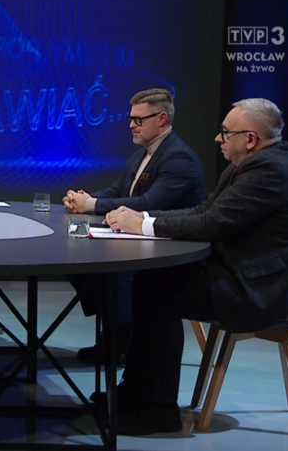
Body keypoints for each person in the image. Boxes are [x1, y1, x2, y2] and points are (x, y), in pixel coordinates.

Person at [99, 98, 288, 435]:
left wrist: (142, 226)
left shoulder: (270, 170)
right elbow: (204, 211)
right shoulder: (252, 164)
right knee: (151, 282)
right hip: (241, 272)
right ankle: (134, 395)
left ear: (250, 139)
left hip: (260, 289)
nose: (218, 138)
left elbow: (213, 224)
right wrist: (144, 217)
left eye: (225, 132)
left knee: (157, 291)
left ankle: (156, 410)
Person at [62, 88, 204, 365]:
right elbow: (118, 190)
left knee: (111, 270)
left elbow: (148, 203)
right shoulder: (142, 154)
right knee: (77, 259)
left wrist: (91, 205)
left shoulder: (179, 158)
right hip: (139, 240)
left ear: (161, 119)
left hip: (170, 249)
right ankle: (114, 335)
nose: (131, 125)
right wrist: (84, 199)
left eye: (138, 119)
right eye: (130, 119)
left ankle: (122, 342)